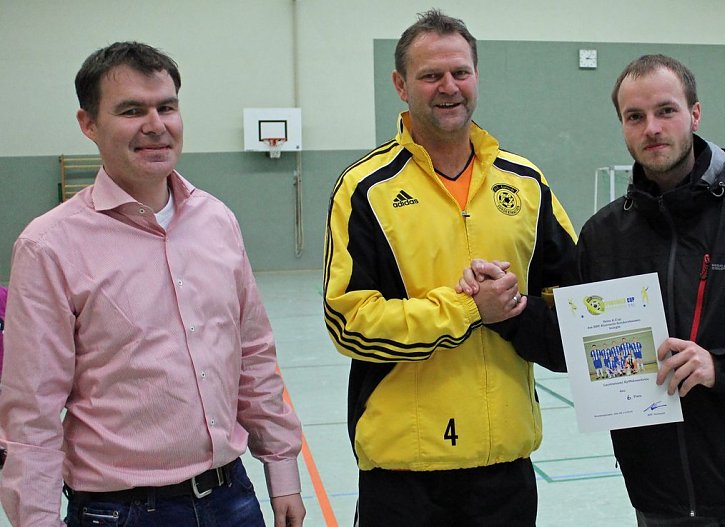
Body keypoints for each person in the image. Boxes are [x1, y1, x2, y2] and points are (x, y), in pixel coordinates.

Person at [463, 54, 725, 525]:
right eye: (635, 116)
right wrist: (511, 310)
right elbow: (575, 345)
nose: (652, 128)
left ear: (695, 114)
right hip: (658, 497)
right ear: (623, 126)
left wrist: (720, 366)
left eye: (666, 110)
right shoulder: (605, 236)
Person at [0, 42, 306, 527]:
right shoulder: (49, 246)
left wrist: (283, 471)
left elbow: (253, 356)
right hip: (121, 511)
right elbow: (31, 413)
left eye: (167, 106)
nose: (155, 124)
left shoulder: (217, 220)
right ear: (88, 124)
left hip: (232, 497)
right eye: (131, 110)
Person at [322, 9, 577, 526]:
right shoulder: (365, 189)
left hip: (504, 464)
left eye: (460, 72)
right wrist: (466, 309)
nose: (448, 87)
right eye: (430, 75)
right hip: (404, 471)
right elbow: (348, 322)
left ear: (476, 76)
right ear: (400, 84)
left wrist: (514, 308)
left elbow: (575, 297)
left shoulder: (525, 182)